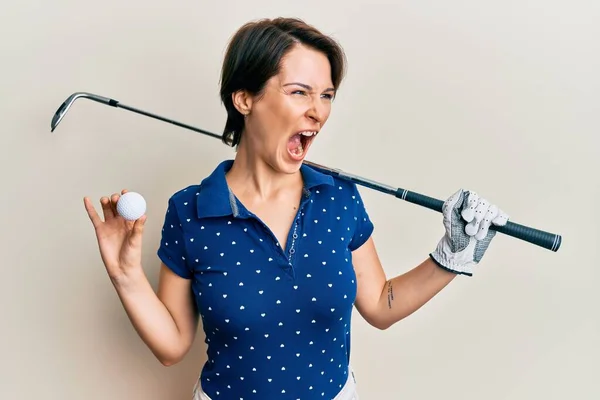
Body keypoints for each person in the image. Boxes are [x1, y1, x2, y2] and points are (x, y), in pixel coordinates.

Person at [83, 17, 509, 400]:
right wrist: (126, 275)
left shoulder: (339, 197)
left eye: (326, 95)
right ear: (245, 99)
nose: (317, 111)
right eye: (299, 92)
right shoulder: (190, 211)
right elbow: (173, 346)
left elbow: (381, 305)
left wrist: (454, 254)